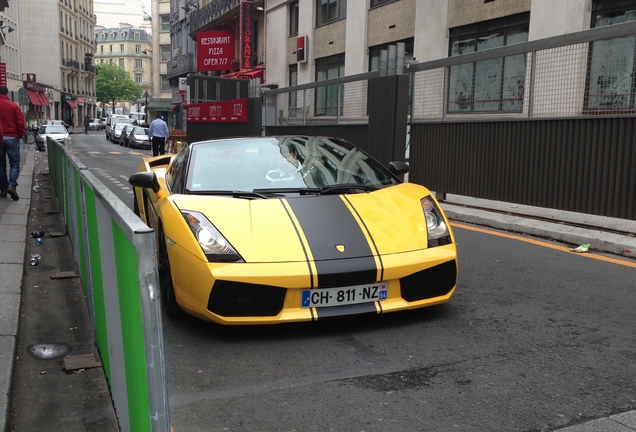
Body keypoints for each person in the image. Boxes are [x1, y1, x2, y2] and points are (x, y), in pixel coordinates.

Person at [0, 86, 26, 201]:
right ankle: (12, 184)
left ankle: (3, 190)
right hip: (12, 137)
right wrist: (19, 135)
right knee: (15, 164)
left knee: (1, 165)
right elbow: (20, 122)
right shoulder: (13, 106)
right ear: (7, 93)